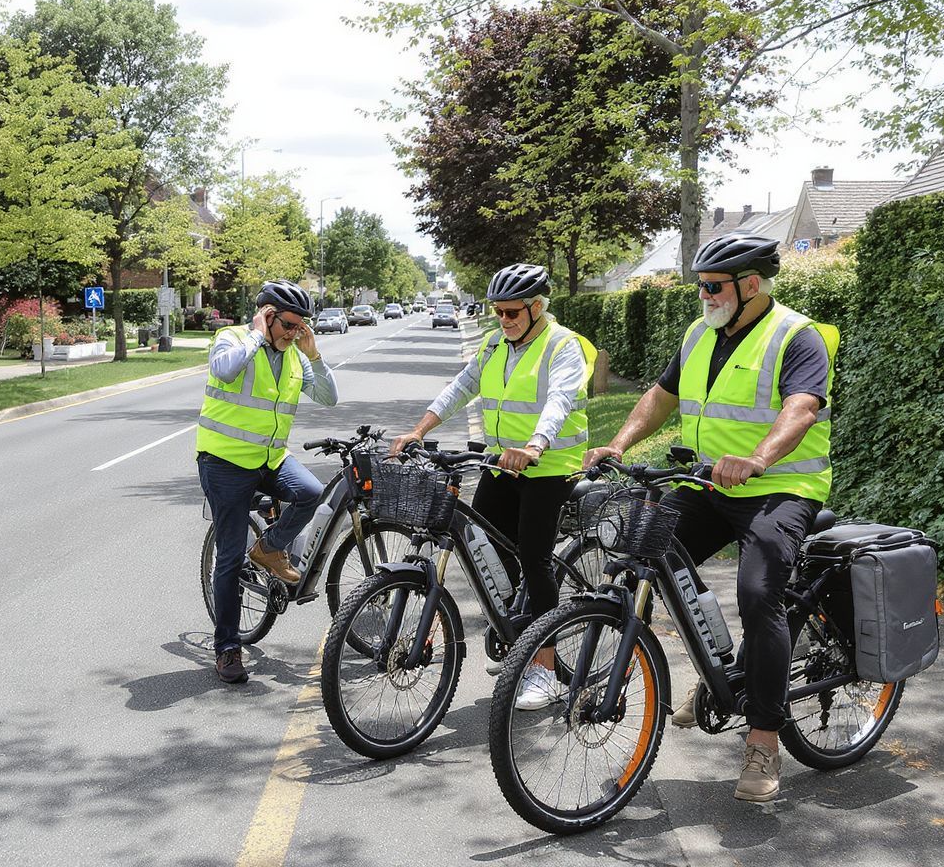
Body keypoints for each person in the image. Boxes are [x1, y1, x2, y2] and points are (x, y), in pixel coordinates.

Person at [583, 233, 838, 802]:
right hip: (709, 482)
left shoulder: (797, 336)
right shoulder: (700, 332)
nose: (703, 294)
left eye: (713, 285)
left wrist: (757, 459)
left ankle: (764, 741)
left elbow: (801, 409)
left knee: (757, 592)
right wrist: (620, 443)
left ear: (751, 284)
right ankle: (718, 671)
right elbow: (660, 395)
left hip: (781, 487)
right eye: (700, 285)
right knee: (643, 553)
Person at [389, 264, 596, 710]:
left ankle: (543, 667)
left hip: (548, 468)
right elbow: (460, 388)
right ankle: (519, 637)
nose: (504, 320)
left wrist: (536, 445)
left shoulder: (564, 346)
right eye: (498, 311)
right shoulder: (494, 344)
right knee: (490, 553)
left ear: (538, 308)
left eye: (512, 312)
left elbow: (560, 399)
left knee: (534, 558)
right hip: (501, 465)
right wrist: (418, 430)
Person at [196, 281, 339, 684]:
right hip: (224, 463)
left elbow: (329, 398)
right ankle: (226, 648)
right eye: (289, 324)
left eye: (301, 326)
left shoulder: (296, 355)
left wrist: (316, 355)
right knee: (228, 559)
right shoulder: (233, 338)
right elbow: (223, 369)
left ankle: (269, 549)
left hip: (270, 459)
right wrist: (258, 334)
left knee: (311, 492)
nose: (295, 332)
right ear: (268, 315)